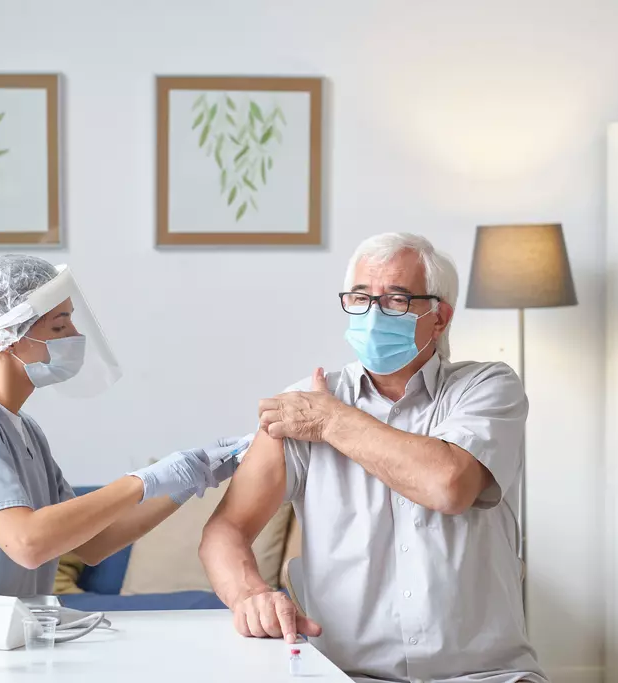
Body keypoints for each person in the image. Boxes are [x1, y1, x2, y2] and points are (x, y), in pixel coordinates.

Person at [199, 233, 547, 683]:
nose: (373, 314)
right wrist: (251, 595)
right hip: (347, 676)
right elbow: (225, 529)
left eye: (397, 300)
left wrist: (332, 422)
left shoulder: (487, 387)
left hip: (486, 676)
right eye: (361, 297)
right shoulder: (302, 406)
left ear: (439, 317)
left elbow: (448, 485)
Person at [0, 254, 249, 598]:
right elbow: (28, 543)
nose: (75, 335)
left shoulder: (24, 430)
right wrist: (143, 480)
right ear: (8, 337)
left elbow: (94, 543)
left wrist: (191, 478)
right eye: (59, 325)